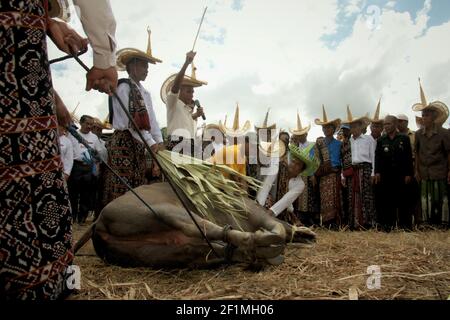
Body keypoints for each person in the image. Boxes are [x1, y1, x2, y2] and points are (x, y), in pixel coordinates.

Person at [0, 0, 117, 299]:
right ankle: (47, 283)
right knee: (37, 187)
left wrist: (49, 24)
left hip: (22, 41)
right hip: (17, 41)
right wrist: (104, 57)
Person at [103, 29, 164, 208]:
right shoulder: (123, 87)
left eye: (147, 67)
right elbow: (131, 122)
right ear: (132, 66)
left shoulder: (145, 93)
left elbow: (152, 122)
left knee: (137, 184)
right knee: (122, 184)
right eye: (144, 66)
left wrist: (158, 142)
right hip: (124, 142)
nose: (146, 70)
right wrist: (151, 143)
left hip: (138, 145)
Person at [413, 84, 450, 228]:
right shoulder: (418, 134)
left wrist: (449, 171)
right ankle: (426, 222)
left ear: (433, 117)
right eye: (422, 115)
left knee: (440, 197)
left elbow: (448, 153)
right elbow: (416, 153)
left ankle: (442, 223)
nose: (423, 118)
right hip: (424, 171)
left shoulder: (444, 133)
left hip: (439, 171)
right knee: (425, 198)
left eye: (426, 115)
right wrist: (416, 170)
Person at [257, 144, 319, 225]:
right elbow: (266, 186)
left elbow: (285, 201)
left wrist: (268, 214)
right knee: (266, 200)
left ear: (301, 170)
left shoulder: (300, 184)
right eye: (293, 161)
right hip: (265, 201)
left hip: (279, 210)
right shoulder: (277, 168)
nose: (294, 165)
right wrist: (259, 206)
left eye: (298, 164)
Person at [162, 51, 207, 157]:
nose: (192, 95)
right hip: (176, 145)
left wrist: (196, 115)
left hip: (191, 147)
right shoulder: (173, 102)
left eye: (193, 92)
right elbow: (176, 85)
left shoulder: (188, 110)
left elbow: (187, 120)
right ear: (179, 92)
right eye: (188, 91)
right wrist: (186, 63)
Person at [375, 116, 414, 230]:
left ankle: (405, 226)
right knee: (387, 200)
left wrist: (409, 174)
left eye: (388, 124)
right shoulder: (381, 140)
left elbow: (408, 157)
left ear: (395, 124)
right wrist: (377, 172)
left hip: (401, 174)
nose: (386, 126)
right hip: (386, 175)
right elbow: (378, 157)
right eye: (385, 124)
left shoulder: (404, 138)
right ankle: (388, 225)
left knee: (403, 200)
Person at [69, 115, 105, 224]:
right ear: (81, 123)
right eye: (87, 124)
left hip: (89, 167)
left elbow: (98, 153)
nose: (89, 126)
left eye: (91, 124)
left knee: (86, 194)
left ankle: (82, 218)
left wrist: (97, 167)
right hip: (76, 166)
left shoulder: (94, 138)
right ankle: (73, 216)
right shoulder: (73, 135)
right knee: (73, 194)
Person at [344, 107, 376, 230]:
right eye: (351, 127)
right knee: (353, 196)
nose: (354, 129)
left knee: (366, 196)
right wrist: (343, 175)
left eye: (356, 126)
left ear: (361, 126)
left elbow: (373, 156)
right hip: (353, 171)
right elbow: (345, 160)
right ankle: (355, 223)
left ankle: (368, 223)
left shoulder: (369, 139)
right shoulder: (348, 142)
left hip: (366, 170)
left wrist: (373, 172)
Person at [314, 105, 342, 228]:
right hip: (323, 174)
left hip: (335, 173)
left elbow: (341, 159)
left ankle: (335, 222)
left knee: (335, 198)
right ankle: (325, 223)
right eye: (324, 127)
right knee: (324, 199)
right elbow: (313, 160)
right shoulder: (319, 143)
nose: (326, 129)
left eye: (328, 127)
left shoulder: (339, 144)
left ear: (333, 129)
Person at [290, 112, 319, 226]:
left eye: (302, 134)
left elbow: (316, 161)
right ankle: (301, 219)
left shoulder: (312, 145)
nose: (300, 136)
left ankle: (311, 218)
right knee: (299, 196)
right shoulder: (294, 148)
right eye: (298, 135)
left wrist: (313, 174)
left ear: (306, 134)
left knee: (311, 196)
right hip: (299, 174)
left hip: (309, 174)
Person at [339, 123, 352, 227]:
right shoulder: (341, 144)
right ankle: (346, 221)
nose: (345, 132)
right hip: (345, 173)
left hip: (354, 172)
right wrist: (342, 176)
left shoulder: (353, 142)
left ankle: (352, 221)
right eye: (343, 130)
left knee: (353, 198)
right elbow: (341, 161)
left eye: (346, 130)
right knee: (345, 197)